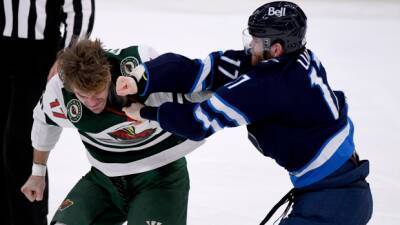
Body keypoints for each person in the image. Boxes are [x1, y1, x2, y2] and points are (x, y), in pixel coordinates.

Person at [116, 1, 373, 224]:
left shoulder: (269, 85)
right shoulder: (298, 60)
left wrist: (147, 112)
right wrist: (144, 77)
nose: (251, 45)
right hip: (338, 192)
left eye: (257, 40)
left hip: (331, 205)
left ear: (276, 49)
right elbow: (210, 69)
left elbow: (196, 123)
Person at [20, 38, 204, 225]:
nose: (91, 103)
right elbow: (44, 121)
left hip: (161, 175)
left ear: (108, 76)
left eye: (97, 93)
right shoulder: (59, 91)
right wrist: (38, 173)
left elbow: (197, 83)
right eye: (83, 95)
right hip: (104, 179)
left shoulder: (142, 65)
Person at [1, 1, 95, 224]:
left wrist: (67, 54)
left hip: (38, 57)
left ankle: (30, 219)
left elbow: (81, 8)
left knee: (23, 140)